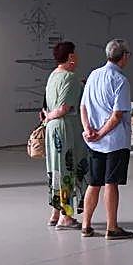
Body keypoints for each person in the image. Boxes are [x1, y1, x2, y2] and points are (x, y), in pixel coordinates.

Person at [80, 38, 133, 240]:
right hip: (114, 142)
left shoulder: (93, 75)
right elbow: (117, 115)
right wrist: (101, 133)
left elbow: (83, 106)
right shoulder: (121, 81)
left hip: (94, 142)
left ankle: (86, 225)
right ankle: (112, 227)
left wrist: (89, 130)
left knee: (94, 183)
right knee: (111, 183)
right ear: (124, 56)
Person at [38, 41, 86, 229]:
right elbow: (64, 108)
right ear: (71, 57)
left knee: (55, 168)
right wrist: (51, 116)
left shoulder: (53, 76)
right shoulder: (70, 77)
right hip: (64, 127)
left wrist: (47, 118)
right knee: (67, 169)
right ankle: (66, 216)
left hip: (52, 128)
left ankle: (55, 212)